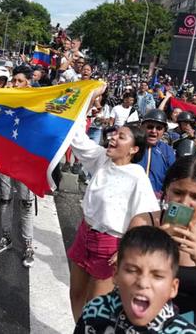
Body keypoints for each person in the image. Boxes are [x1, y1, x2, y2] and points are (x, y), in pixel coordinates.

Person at [68, 100, 159, 321]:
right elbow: (76, 136)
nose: (113, 138)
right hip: (84, 235)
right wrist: (86, 101)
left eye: (121, 137)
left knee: (95, 309)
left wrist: (126, 251)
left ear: (134, 149)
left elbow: (151, 218)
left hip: (110, 247)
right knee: (76, 295)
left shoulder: (137, 176)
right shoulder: (101, 159)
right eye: (115, 133)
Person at [129, 155, 196, 331]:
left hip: (193, 326)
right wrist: (154, 245)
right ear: (166, 189)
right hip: (141, 323)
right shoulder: (143, 222)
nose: (185, 202)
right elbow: (123, 281)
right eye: (178, 193)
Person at [73, 226, 196, 334]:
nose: (143, 283)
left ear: (173, 288)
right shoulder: (94, 311)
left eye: (157, 276)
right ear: (116, 274)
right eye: (132, 270)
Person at [0, 65, 37, 268]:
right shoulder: (4, 97)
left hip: (26, 160)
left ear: (28, 82)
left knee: (25, 203)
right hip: (4, 158)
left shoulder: (37, 101)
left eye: (19, 81)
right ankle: (6, 237)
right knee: (6, 200)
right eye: (13, 80)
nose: (15, 84)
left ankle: (28, 245)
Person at [138, 109, 176, 196]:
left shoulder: (167, 151)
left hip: (155, 201)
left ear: (164, 131)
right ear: (141, 127)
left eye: (159, 128)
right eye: (150, 127)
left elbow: (172, 178)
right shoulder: (132, 146)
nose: (154, 131)